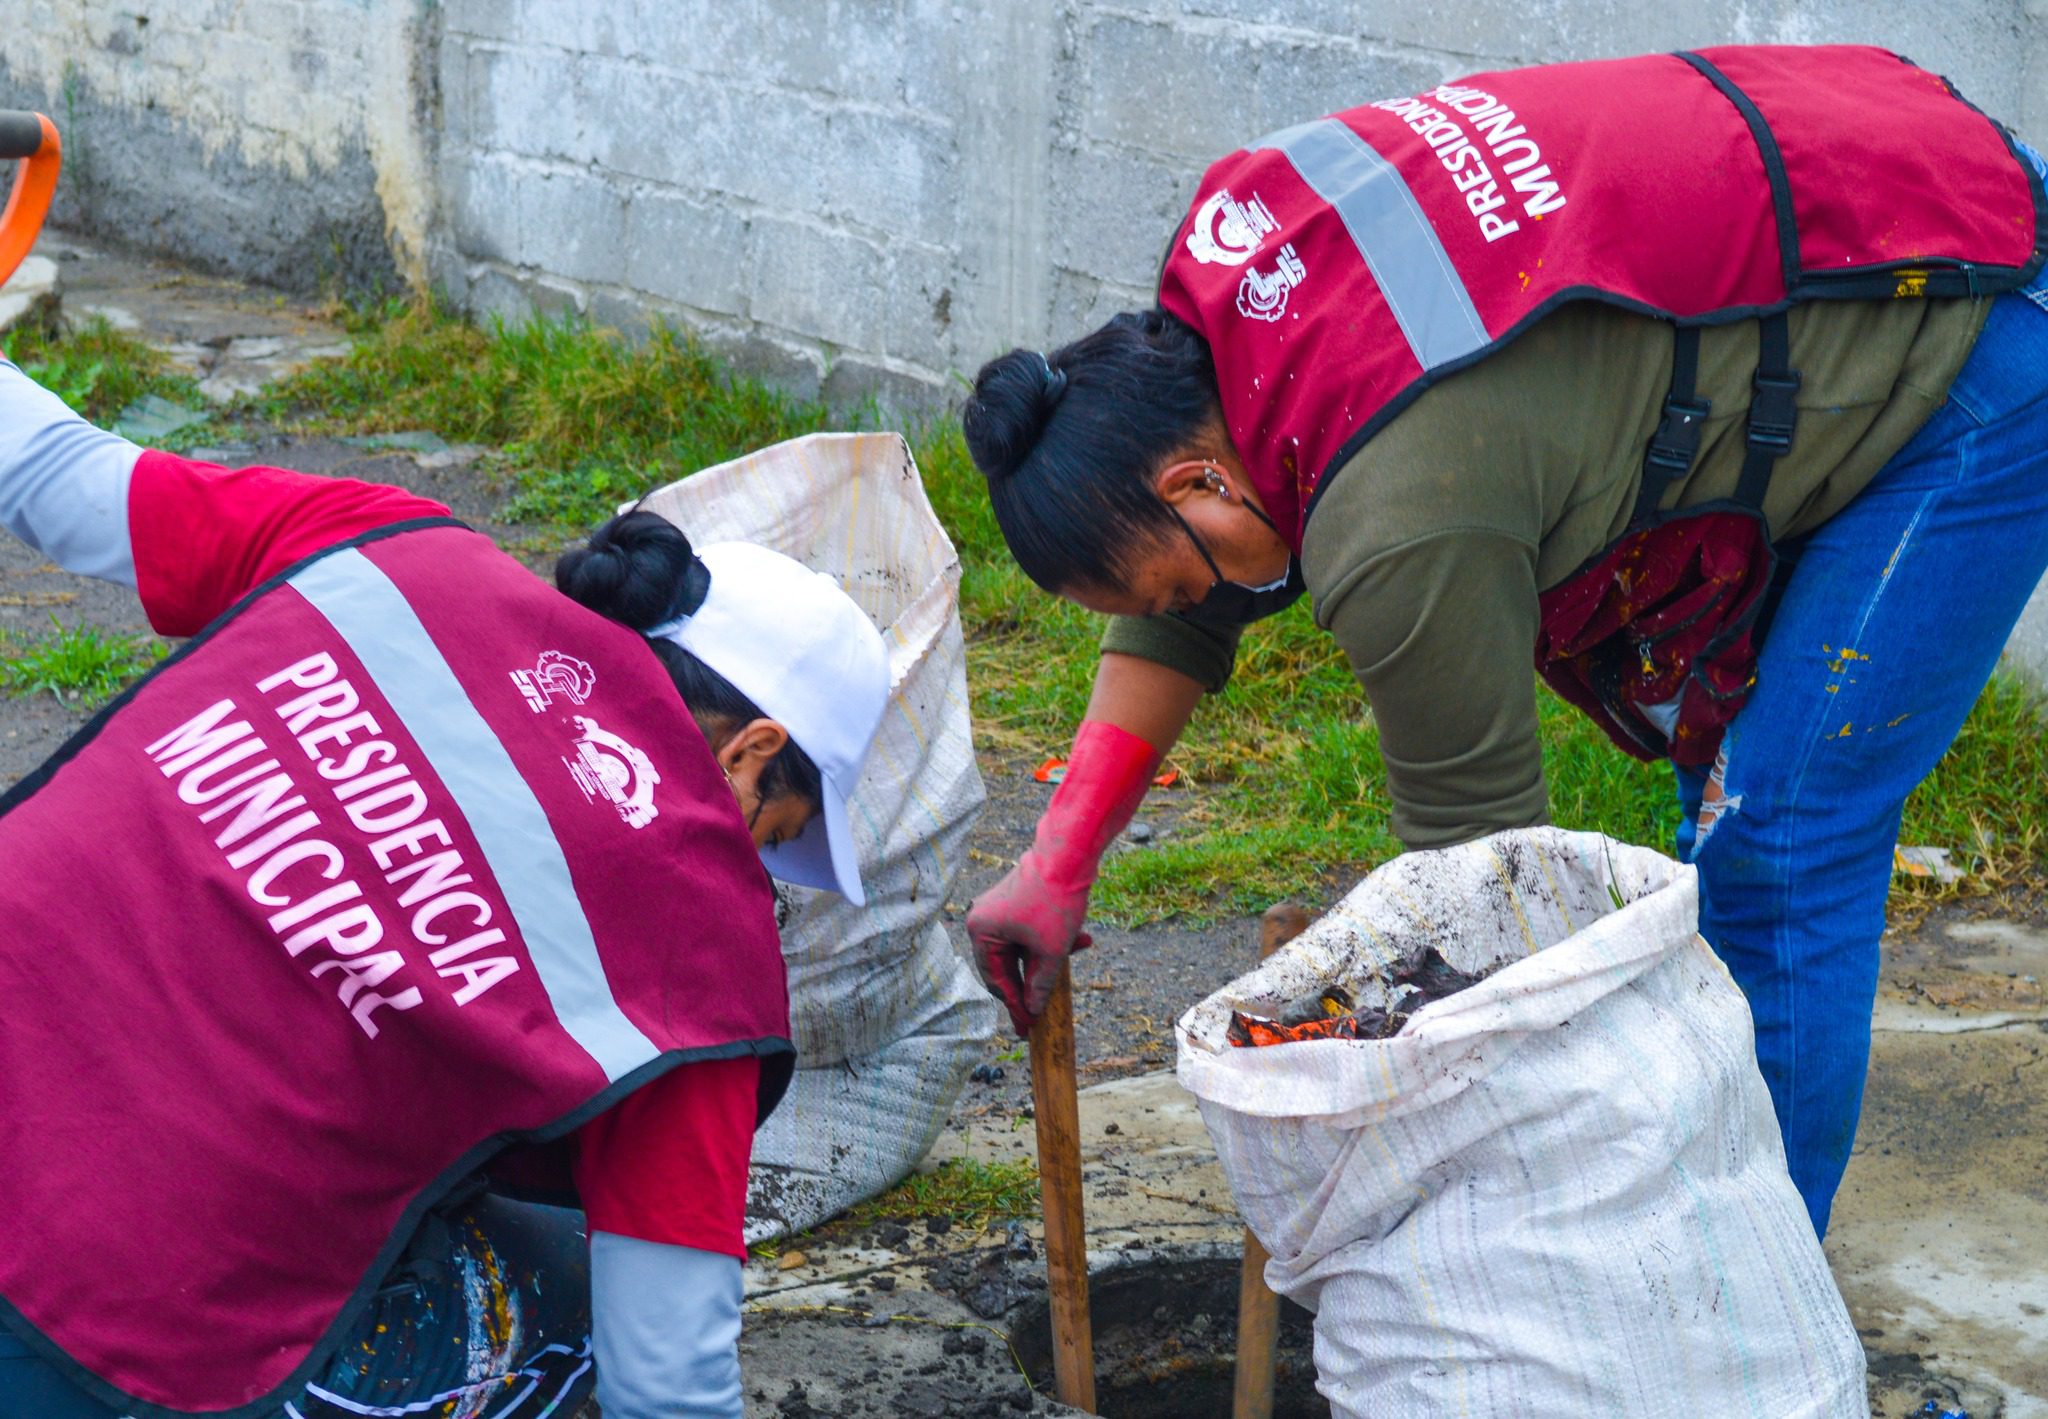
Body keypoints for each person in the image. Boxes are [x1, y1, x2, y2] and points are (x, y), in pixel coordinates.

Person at [960, 42, 2048, 1239]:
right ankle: (1708, 1190)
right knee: (1728, 801)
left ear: (1193, 476)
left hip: (1973, 332)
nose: (1190, 611)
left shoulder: (1397, 517)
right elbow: (1202, 587)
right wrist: (1057, 863)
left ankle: (1739, 1303)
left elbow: (1487, 887)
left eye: (1173, 589)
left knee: (1780, 841)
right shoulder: (1227, 270)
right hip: (1872, 196)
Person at [0, 355, 891, 1418]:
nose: (751, 876)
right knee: (565, 1312)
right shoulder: (694, 947)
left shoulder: (395, 548)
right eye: (772, 837)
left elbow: (55, 472)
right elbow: (667, 1383)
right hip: (98, 1325)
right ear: (752, 751)